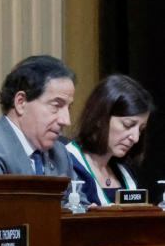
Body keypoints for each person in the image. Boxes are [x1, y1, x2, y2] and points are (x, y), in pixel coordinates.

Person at [0, 55, 77, 178]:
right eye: (56, 106)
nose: (66, 120)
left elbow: (79, 197)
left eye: (68, 108)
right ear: (21, 102)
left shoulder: (60, 154)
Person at [65, 74, 155, 206]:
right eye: (128, 125)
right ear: (100, 119)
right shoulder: (68, 162)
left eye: (141, 129)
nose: (135, 138)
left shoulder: (123, 170)